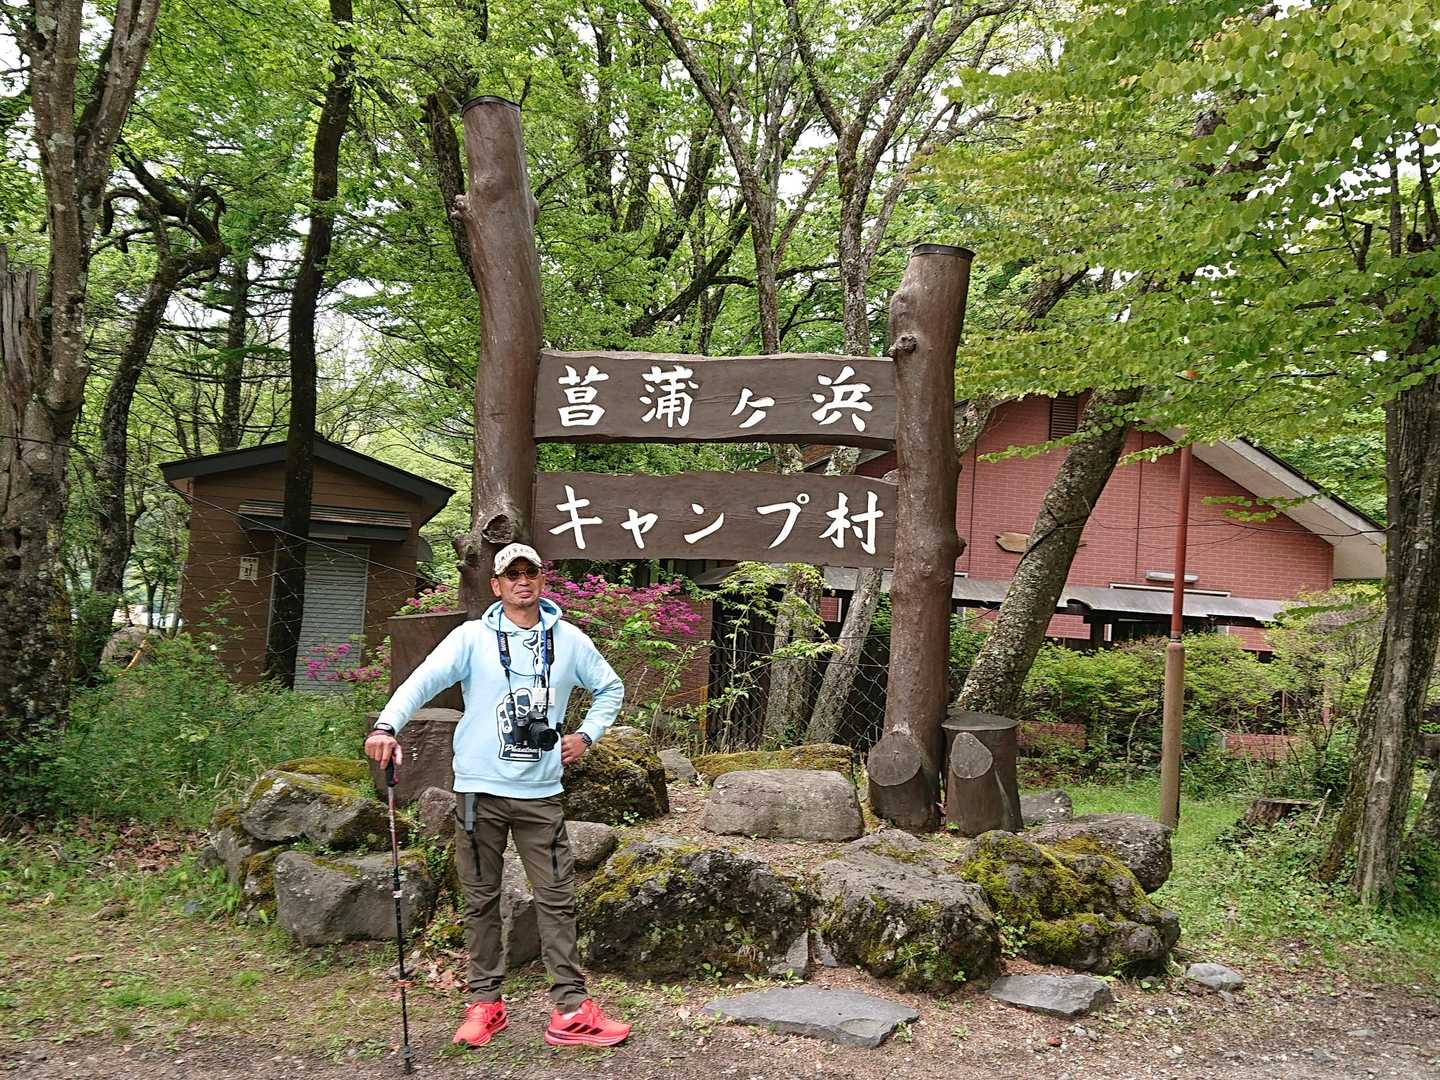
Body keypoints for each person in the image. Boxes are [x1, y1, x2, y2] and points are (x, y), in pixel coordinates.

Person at [364, 543, 631, 1050]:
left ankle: (571, 1010)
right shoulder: (471, 638)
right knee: (480, 898)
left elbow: (610, 688)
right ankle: (485, 1003)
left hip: (540, 793)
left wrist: (587, 734)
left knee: (557, 899)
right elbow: (421, 682)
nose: (522, 581)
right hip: (477, 791)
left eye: (531, 572)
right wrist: (386, 725)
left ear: (542, 580)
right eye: (512, 574)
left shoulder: (569, 640)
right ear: (496, 585)